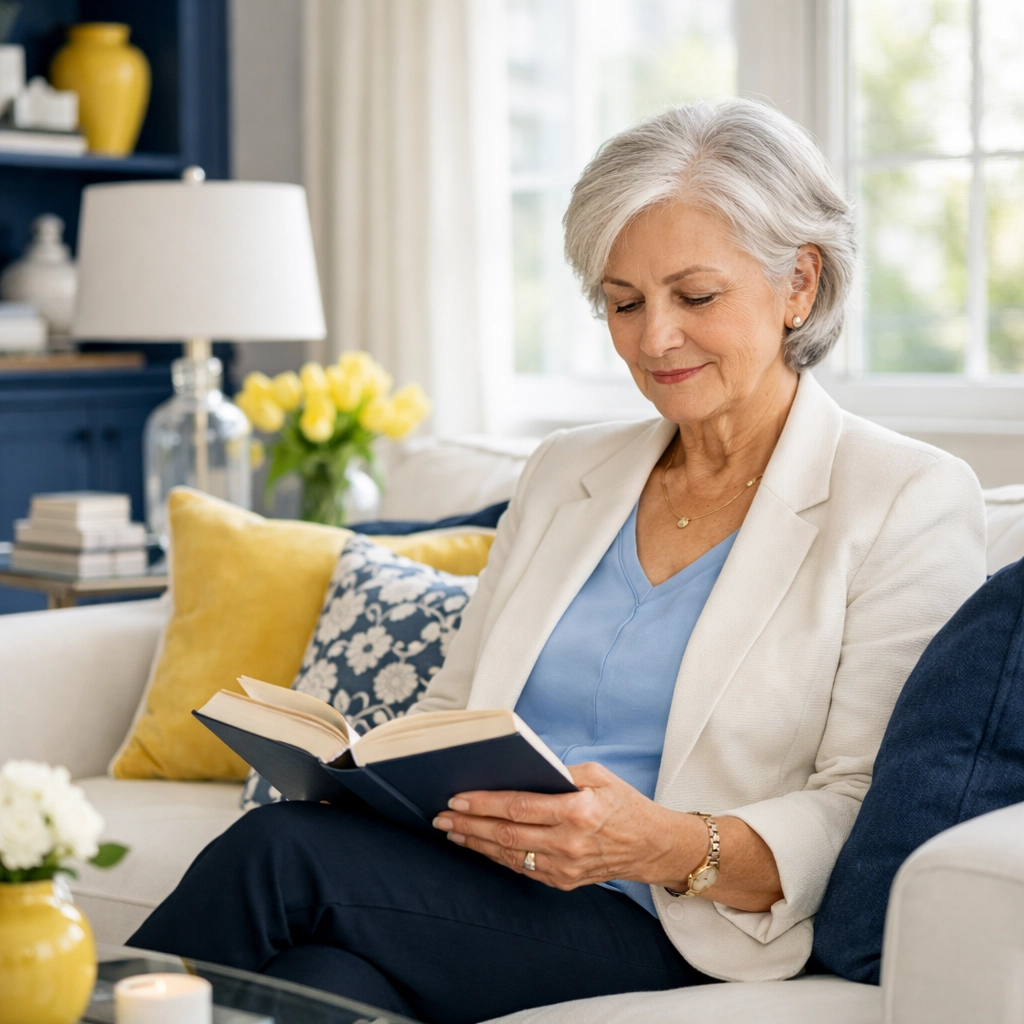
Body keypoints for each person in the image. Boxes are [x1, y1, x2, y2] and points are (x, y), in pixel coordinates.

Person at [129, 99, 986, 1024]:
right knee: (324, 988)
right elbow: (455, 714)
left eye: (694, 297)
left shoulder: (904, 497)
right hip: (476, 880)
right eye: (623, 303)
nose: (654, 339)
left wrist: (658, 845)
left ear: (799, 286)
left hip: (671, 918)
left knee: (278, 852)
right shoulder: (567, 470)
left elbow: (864, 801)